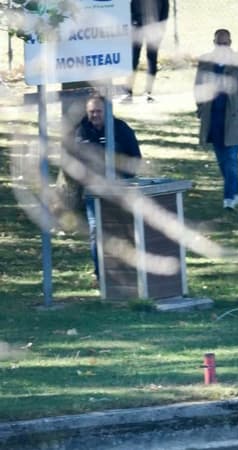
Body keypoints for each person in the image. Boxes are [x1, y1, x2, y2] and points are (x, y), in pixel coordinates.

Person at [67, 94, 142, 281]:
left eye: (98, 111)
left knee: (124, 230)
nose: (94, 115)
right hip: (94, 190)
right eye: (91, 111)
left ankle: (129, 274)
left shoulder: (121, 129)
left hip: (120, 189)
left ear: (107, 112)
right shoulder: (82, 131)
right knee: (96, 230)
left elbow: (136, 161)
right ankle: (101, 275)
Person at [194, 29, 238, 210]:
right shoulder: (205, 61)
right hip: (213, 119)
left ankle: (231, 197)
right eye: (219, 43)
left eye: (225, 43)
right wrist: (200, 108)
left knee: (231, 160)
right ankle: (233, 191)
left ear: (231, 42)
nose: (223, 46)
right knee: (222, 160)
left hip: (233, 119)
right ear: (214, 42)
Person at [124, 0, 170, 102]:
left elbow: (165, 9)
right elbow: (130, 6)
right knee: (133, 60)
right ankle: (128, 92)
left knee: (152, 60)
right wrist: (133, 22)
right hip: (137, 27)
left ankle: (148, 93)